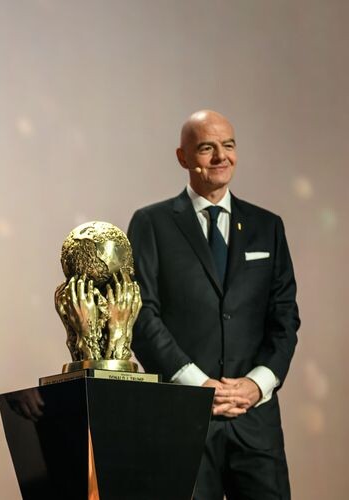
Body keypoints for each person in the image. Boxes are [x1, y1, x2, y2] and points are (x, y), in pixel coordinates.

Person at [127, 109, 299, 499]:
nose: (221, 156)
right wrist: (198, 385)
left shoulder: (268, 226)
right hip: (182, 422)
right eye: (207, 148)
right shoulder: (152, 223)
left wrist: (257, 384)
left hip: (255, 423)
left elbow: (285, 318)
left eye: (229, 145)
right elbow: (141, 314)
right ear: (183, 157)